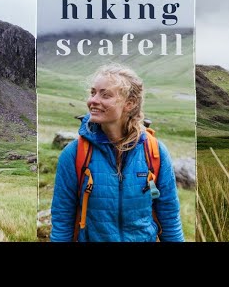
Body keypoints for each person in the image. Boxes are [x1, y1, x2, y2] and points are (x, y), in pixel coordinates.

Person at [50, 63, 184, 242]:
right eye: (93, 93)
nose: (93, 101)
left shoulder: (155, 152)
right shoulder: (74, 154)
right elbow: (62, 219)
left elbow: (169, 216)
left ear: (130, 103)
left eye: (105, 95)